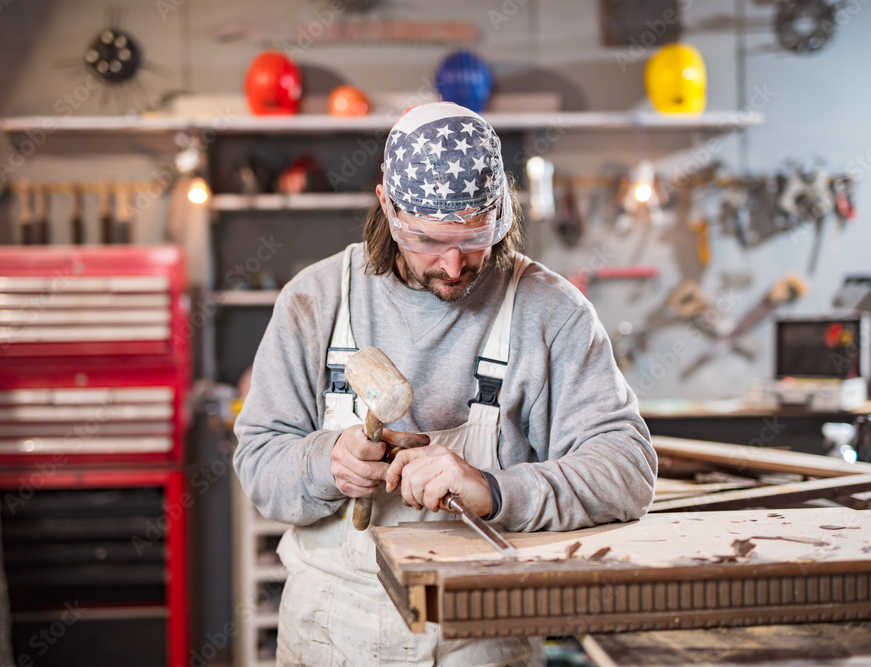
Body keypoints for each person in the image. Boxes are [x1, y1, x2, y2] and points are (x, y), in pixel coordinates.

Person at [233, 102, 657, 666]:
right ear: (388, 207)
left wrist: (496, 491)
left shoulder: (551, 312)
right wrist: (324, 464)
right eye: (429, 240)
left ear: (503, 210)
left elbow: (627, 470)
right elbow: (258, 461)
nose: (454, 266)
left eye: (475, 237)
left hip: (484, 637)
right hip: (330, 635)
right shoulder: (315, 300)